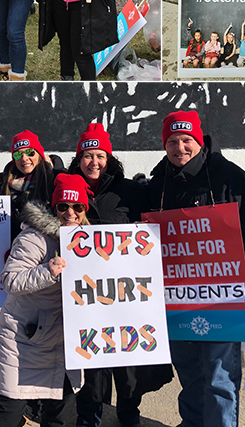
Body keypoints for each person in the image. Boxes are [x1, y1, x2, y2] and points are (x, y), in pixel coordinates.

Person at [144, 111, 245, 427]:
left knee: (220, 374)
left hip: (223, 296)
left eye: (186, 140)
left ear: (199, 140)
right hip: (175, 294)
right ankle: (192, 423)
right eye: (172, 141)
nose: (180, 148)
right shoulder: (157, 183)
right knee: (188, 369)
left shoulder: (229, 176)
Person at [68, 124, 169, 427]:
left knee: (127, 358)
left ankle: (129, 411)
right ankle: (89, 415)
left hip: (126, 290)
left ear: (109, 158)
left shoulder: (128, 191)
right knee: (91, 359)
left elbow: (148, 230)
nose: (94, 162)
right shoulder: (68, 190)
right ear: (79, 158)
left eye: (100, 155)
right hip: (85, 293)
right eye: (88, 155)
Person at [0, 173, 88, 427]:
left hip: (67, 341)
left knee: (58, 413)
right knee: (9, 410)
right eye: (63, 206)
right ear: (54, 208)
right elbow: (10, 280)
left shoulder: (91, 242)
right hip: (25, 338)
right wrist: (47, 272)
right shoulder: (34, 238)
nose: (70, 213)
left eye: (77, 207)